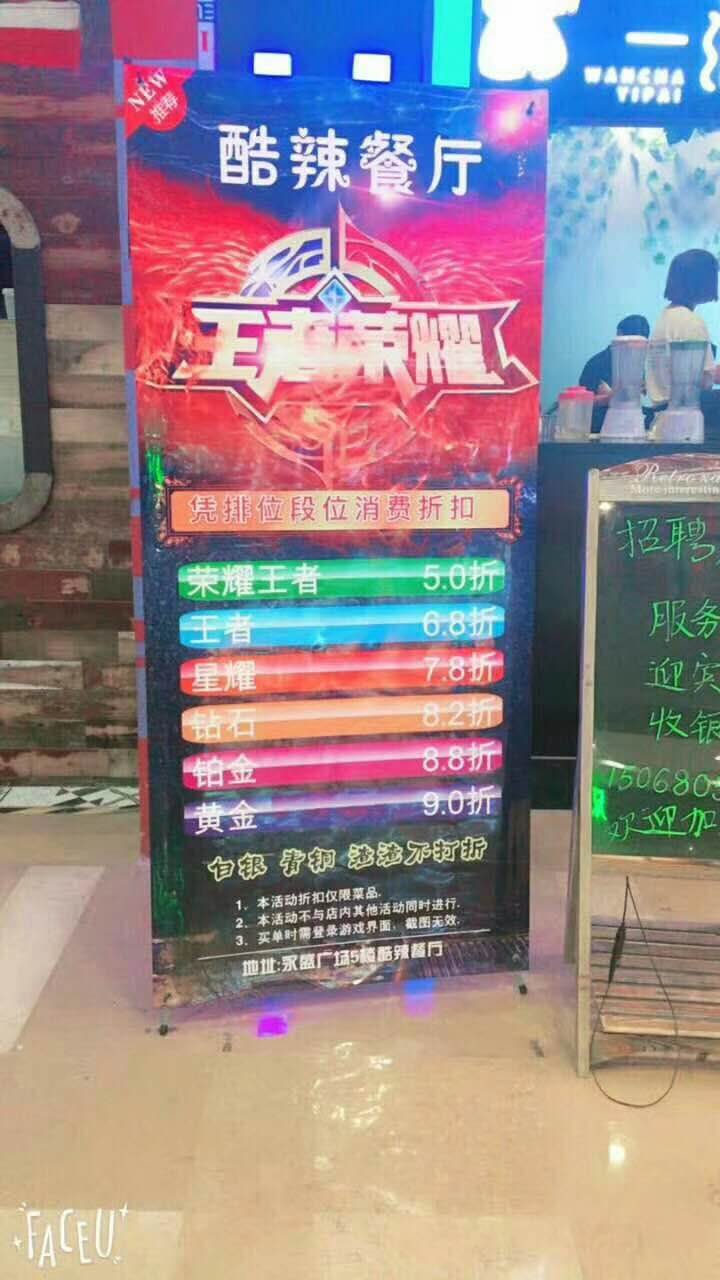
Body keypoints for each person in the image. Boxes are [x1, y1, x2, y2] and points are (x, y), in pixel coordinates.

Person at [647, 249, 719, 405]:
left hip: (661, 411)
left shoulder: (664, 318)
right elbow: (701, 381)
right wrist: (714, 374)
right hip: (686, 413)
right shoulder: (692, 322)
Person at [579, 314, 650, 432]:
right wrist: (612, 397)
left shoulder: (636, 364)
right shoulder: (596, 363)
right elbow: (582, 404)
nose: (634, 350)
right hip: (598, 428)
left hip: (628, 423)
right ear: (619, 335)